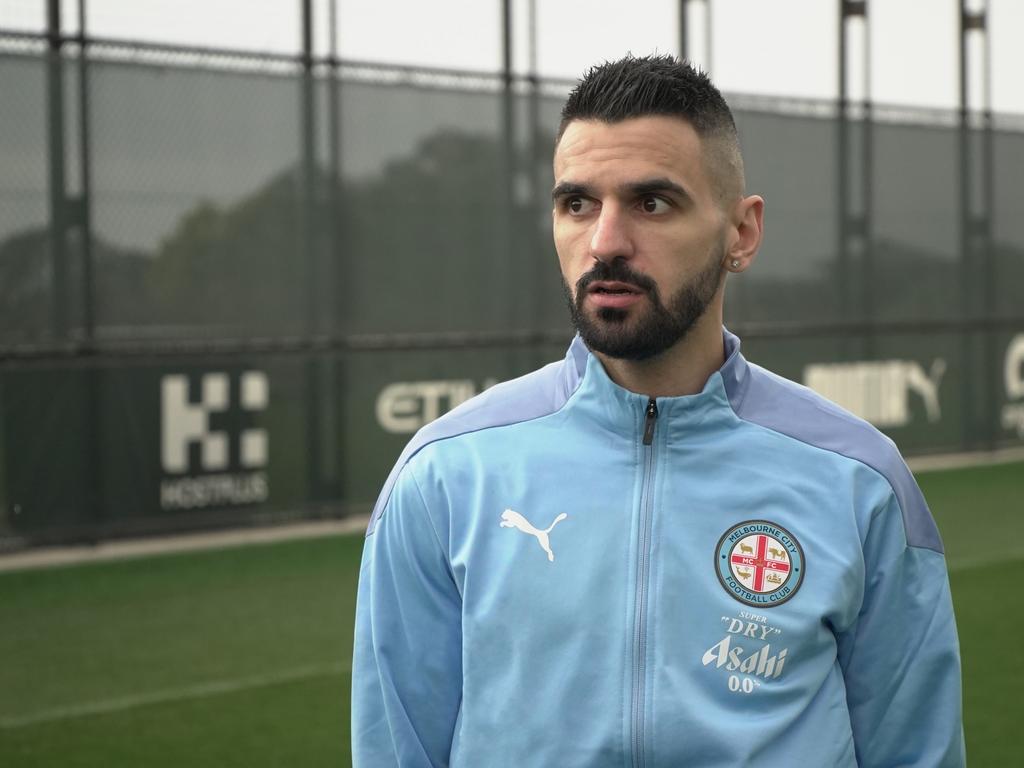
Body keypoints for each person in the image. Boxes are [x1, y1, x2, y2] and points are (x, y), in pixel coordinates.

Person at [352, 55, 964, 767]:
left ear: (742, 232)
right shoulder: (445, 475)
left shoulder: (860, 482)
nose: (605, 242)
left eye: (652, 203)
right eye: (577, 203)